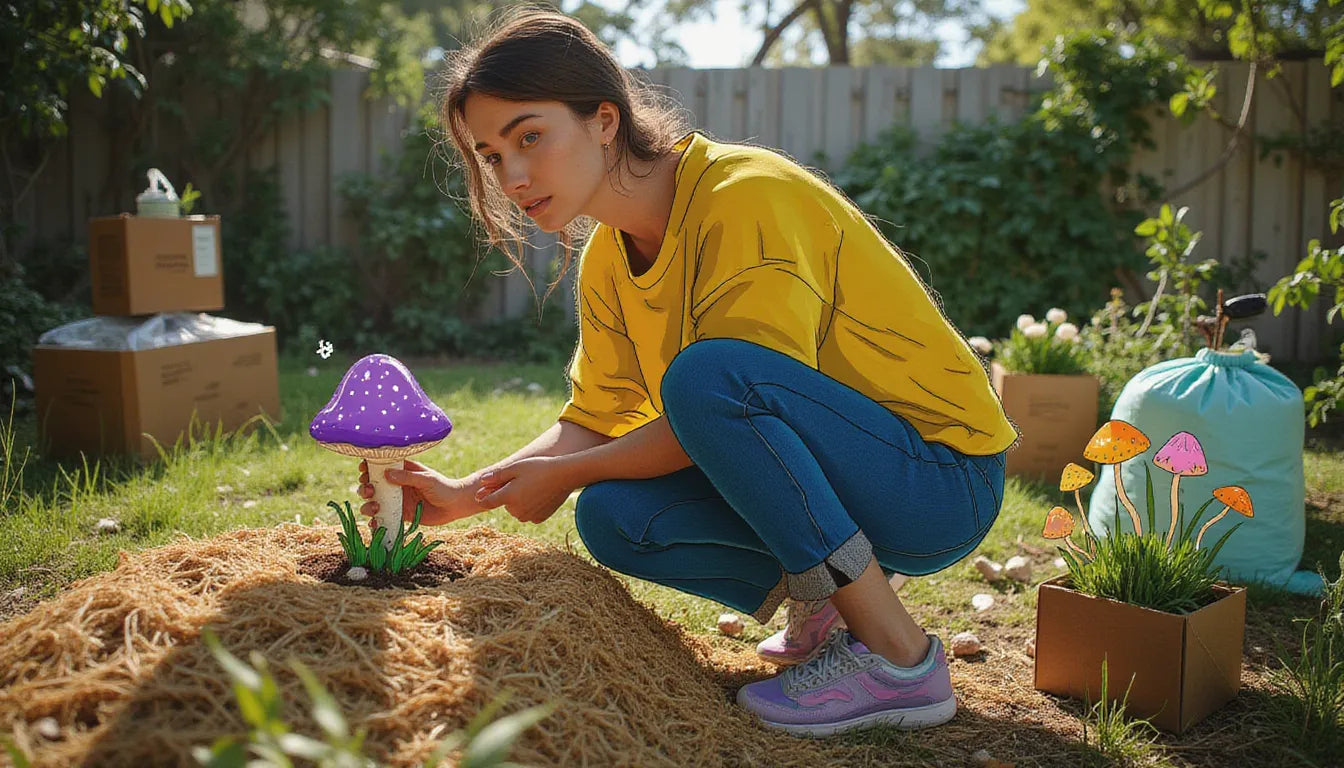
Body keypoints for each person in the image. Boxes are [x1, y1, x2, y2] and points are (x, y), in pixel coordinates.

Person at [355, 7, 1017, 738]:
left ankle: (901, 661)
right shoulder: (609, 255)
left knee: (709, 377)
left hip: (940, 481)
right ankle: (838, 605)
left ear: (604, 120)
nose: (511, 175)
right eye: (490, 155)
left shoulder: (743, 198)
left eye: (530, 137)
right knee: (616, 517)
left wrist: (565, 475)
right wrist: (462, 497)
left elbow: (722, 399)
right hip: (854, 481)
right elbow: (593, 420)